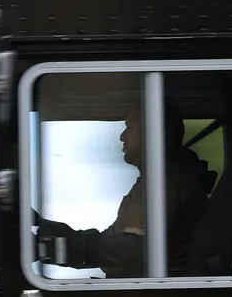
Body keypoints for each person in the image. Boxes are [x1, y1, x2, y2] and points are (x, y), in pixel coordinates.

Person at [35, 96, 217, 278]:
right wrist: (46, 227)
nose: (122, 136)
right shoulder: (159, 178)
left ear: (153, 132)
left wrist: (51, 248)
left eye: (130, 127)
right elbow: (111, 242)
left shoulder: (166, 182)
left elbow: (129, 251)